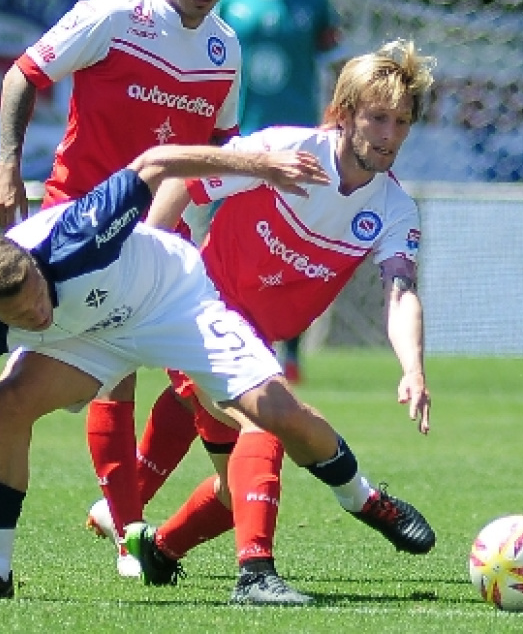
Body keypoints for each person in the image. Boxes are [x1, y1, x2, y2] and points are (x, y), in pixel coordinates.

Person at [0, 143, 436, 602]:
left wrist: (257, 163)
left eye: (39, 296)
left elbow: (158, 163)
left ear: (37, 268)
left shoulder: (77, 234)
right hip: (91, 337)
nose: (37, 313)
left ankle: (361, 498)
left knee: (276, 412)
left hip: (173, 301)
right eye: (21, 316)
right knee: (9, 400)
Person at [122, 39, 435, 606]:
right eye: (378, 118)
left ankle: (160, 547)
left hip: (253, 341)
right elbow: (181, 179)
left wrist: (412, 368)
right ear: (344, 113)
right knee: (265, 420)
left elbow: (401, 291)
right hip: (199, 311)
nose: (390, 135)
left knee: (234, 482)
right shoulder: (286, 151)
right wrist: (148, 254)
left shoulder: (393, 209)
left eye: (403, 122)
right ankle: (258, 574)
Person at [0, 0, 241, 577]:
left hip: (162, 228)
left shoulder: (226, 49)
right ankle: (131, 536)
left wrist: (205, 213)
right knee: (115, 377)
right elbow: (23, 75)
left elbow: (221, 150)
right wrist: (9, 162)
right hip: (79, 221)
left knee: (204, 374)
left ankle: (169, 511)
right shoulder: (113, 16)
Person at [84, 0, 343, 553]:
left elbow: (326, 62)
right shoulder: (221, 19)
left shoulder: (309, 5)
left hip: (283, 160)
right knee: (211, 322)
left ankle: (133, 504)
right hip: (230, 160)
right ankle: (135, 506)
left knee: (225, 323)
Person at [217, 0, 342, 383]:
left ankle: (289, 353)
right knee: (232, 241)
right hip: (241, 141)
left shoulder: (314, 2)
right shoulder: (231, 0)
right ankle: (233, 338)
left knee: (292, 246)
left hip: (299, 146)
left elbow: (334, 68)